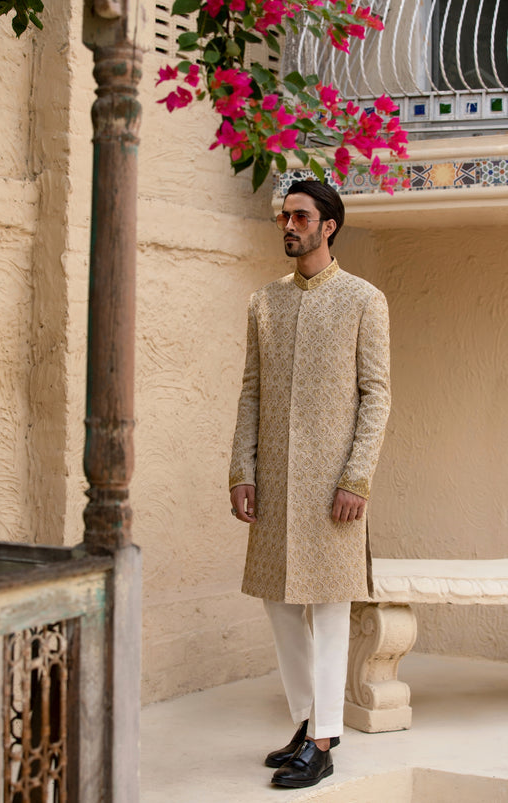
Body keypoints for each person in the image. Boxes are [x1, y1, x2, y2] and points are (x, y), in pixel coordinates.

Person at [229, 179, 391, 789]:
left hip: (334, 489)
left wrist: (357, 476)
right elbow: (251, 391)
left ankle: (323, 742)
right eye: (283, 217)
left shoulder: (363, 300)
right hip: (273, 481)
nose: (288, 226)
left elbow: (376, 395)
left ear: (329, 225)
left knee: (328, 607)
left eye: (299, 216)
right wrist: (243, 469)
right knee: (279, 603)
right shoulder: (264, 302)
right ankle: (306, 722)